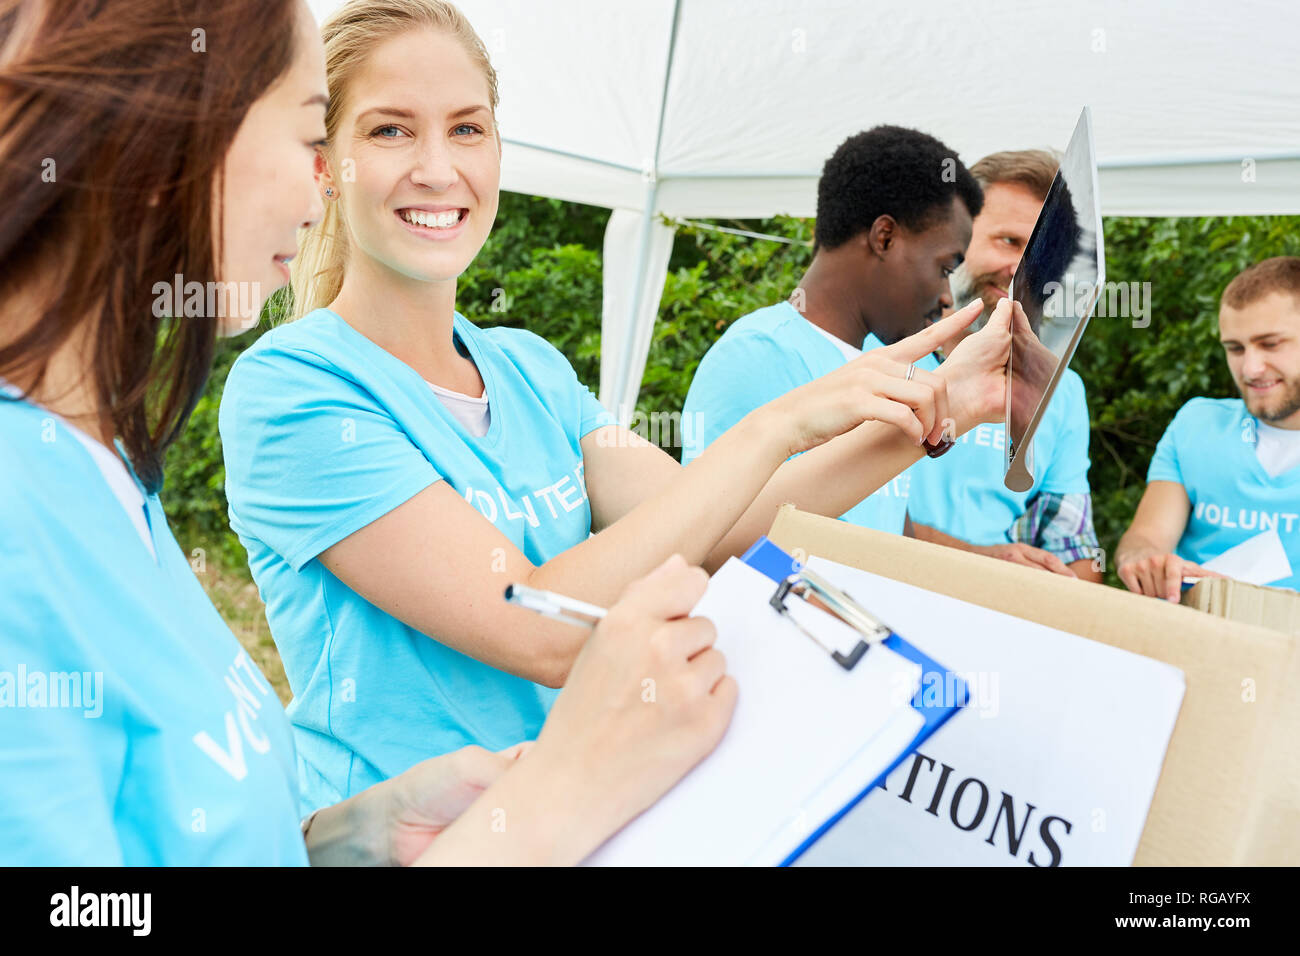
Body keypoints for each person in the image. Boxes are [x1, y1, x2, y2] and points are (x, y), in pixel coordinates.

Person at [217, 0, 1015, 812]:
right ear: (326, 165)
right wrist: (779, 424)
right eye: (390, 130)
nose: (437, 167)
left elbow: (726, 527)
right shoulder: (294, 390)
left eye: (467, 129)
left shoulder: (528, 367)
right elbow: (540, 627)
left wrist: (940, 407)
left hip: (571, 826)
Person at [0, 0, 736, 867]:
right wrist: (568, 791)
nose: (323, 189)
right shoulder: (22, 511)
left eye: (470, 130)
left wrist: (344, 840)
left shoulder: (108, 474)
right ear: (169, 132)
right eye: (313, 135)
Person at [681, 125, 981, 536]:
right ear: (885, 237)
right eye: (945, 268)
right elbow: (704, 539)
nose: (947, 295)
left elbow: (887, 531)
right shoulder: (755, 356)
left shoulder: (891, 366)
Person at [906, 150, 1102, 581]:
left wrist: (1068, 590)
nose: (1022, 273)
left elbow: (1073, 547)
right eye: (1010, 241)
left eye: (1044, 257)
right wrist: (981, 561)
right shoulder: (883, 348)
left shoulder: (1063, 389)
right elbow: (826, 510)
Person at [1117, 257, 1300, 601]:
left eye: (1271, 344)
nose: (1250, 368)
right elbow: (1146, 538)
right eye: (1235, 348)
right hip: (1187, 637)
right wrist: (1146, 564)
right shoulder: (1196, 424)